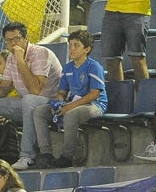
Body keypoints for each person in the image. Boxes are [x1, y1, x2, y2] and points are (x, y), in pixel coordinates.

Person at [0, 22, 63, 172]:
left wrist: (21, 61)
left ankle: (27, 156)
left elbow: (35, 90)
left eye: (16, 39)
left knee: (29, 99)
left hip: (51, 105)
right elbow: (4, 88)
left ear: (26, 38)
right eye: (9, 41)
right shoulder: (11, 59)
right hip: (27, 105)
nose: (12, 44)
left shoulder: (41, 54)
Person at [32, 30, 107, 168]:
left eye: (76, 45)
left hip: (95, 105)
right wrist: (59, 102)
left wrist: (69, 107)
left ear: (87, 49)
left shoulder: (94, 66)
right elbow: (62, 92)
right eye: (70, 45)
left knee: (71, 115)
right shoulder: (67, 67)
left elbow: (94, 94)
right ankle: (46, 153)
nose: (72, 49)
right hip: (73, 103)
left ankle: (67, 157)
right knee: (39, 112)